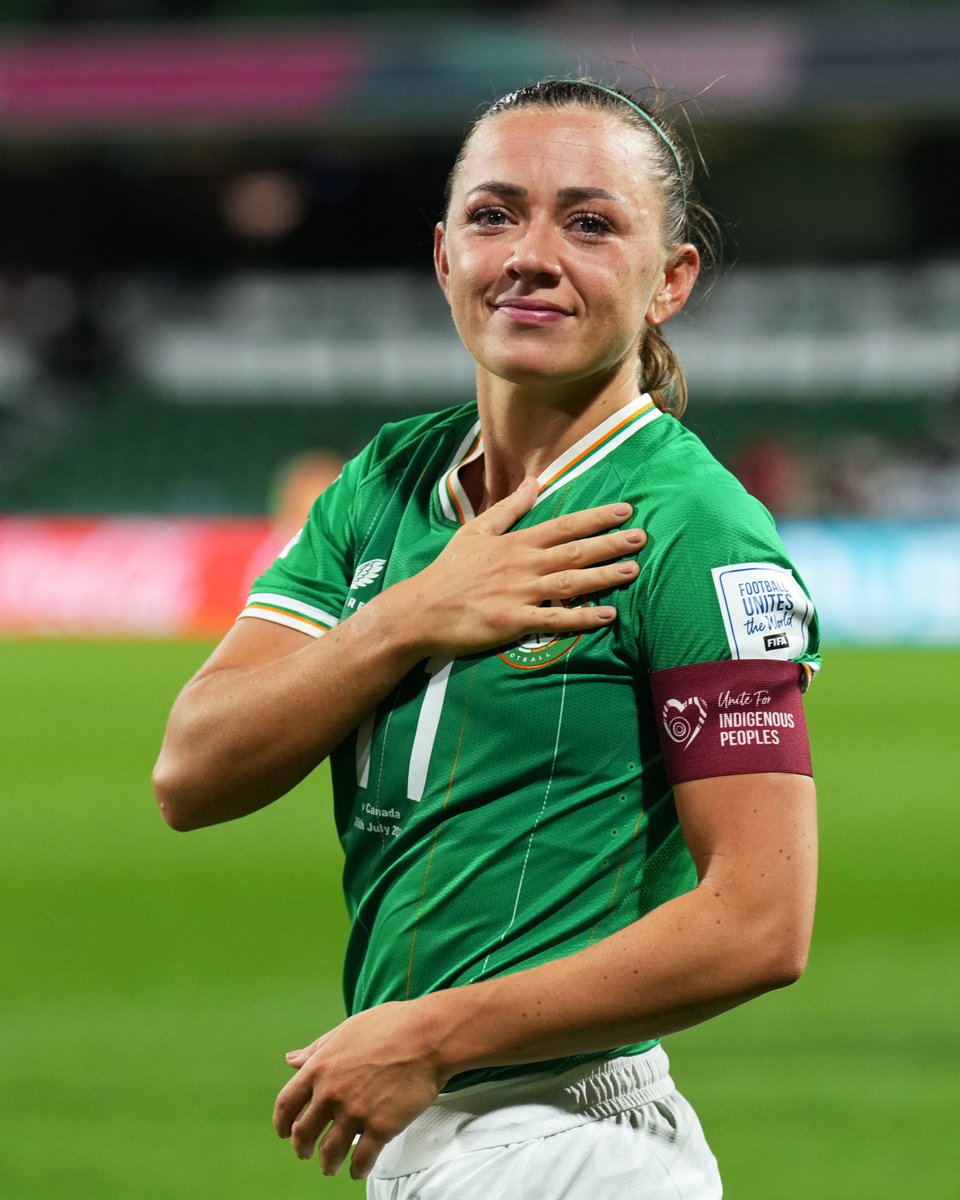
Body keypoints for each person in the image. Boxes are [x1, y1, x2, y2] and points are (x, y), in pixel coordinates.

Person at [153, 78, 820, 1199]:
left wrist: (432, 1035)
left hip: (570, 1139)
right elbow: (193, 771)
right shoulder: (387, 482)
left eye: (592, 222)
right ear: (443, 254)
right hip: (428, 1133)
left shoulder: (692, 526)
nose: (530, 254)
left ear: (672, 281)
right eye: (495, 213)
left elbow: (759, 921)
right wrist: (412, 614)